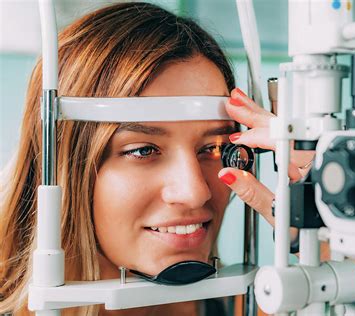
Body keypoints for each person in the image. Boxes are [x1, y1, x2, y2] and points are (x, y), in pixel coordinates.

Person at [0, 2, 322, 315]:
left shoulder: (248, 306)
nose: (196, 192)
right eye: (143, 150)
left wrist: (320, 227)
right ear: (64, 166)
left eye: (211, 148)